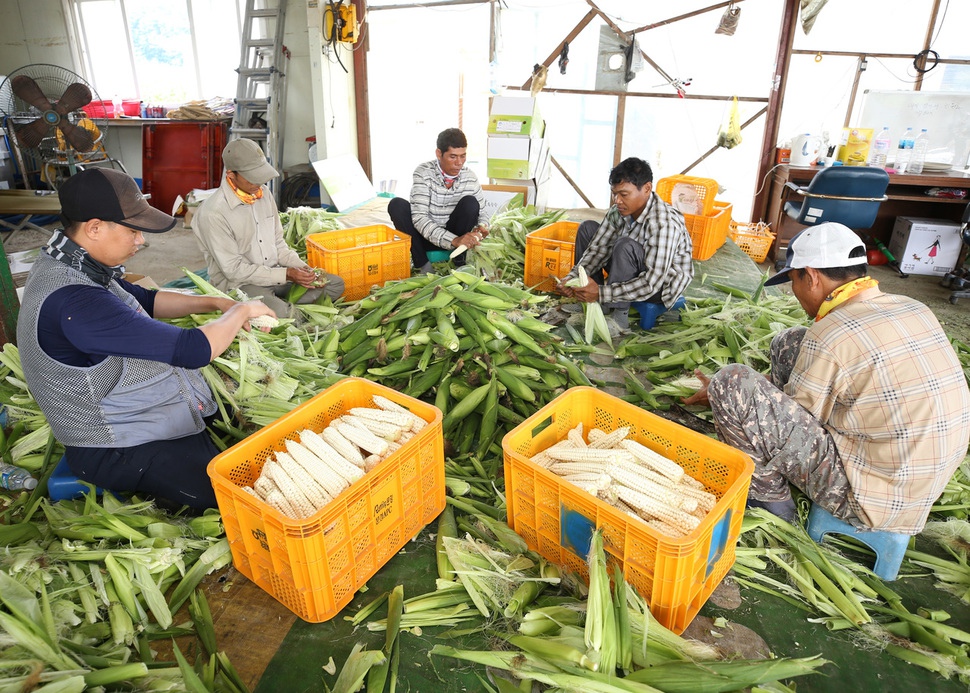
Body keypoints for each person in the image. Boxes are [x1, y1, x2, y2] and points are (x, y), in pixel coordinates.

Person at [16, 168, 278, 510]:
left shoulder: (76, 263)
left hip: (142, 416)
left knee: (246, 426)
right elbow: (194, 350)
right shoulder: (75, 301)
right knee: (237, 503)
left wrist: (217, 302)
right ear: (94, 228)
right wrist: (241, 312)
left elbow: (146, 299)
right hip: (119, 447)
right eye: (132, 231)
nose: (141, 241)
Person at [684, 222, 970, 532]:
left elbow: (794, 422)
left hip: (869, 501)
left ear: (812, 276)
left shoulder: (833, 333)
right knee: (790, 341)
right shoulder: (913, 307)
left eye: (793, 280)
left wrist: (728, 397)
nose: (793, 292)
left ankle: (770, 501)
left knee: (731, 382)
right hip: (921, 484)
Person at [192, 138, 344, 317]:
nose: (258, 183)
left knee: (335, 284)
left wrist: (303, 270)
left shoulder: (263, 194)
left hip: (276, 275)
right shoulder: (214, 213)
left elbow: (278, 244)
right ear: (232, 175)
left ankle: (281, 309)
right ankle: (283, 310)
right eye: (252, 178)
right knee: (281, 312)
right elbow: (234, 271)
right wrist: (286, 274)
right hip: (242, 284)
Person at [556, 158, 693, 331]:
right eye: (614, 194)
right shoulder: (618, 212)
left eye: (624, 194)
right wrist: (572, 279)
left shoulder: (663, 222)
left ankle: (619, 318)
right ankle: (593, 300)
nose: (617, 200)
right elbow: (598, 249)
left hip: (660, 287)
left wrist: (601, 292)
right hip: (633, 269)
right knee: (587, 229)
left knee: (625, 246)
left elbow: (652, 282)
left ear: (647, 189)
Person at [387, 128, 490, 274]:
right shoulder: (423, 173)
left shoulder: (470, 177)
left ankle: (459, 262)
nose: (459, 163)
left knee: (471, 203)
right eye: (453, 157)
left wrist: (482, 226)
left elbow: (483, 211)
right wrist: (453, 240)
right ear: (439, 154)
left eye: (463, 156)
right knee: (396, 205)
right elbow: (419, 218)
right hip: (424, 238)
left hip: (457, 238)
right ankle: (423, 265)